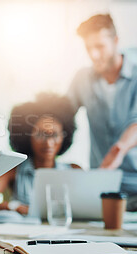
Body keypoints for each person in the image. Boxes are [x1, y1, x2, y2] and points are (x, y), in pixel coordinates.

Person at [0, 93, 79, 217]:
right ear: (27, 136)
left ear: (64, 136)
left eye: (54, 135)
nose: (48, 143)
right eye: (40, 134)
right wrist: (13, 207)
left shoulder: (74, 170)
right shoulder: (14, 170)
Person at [67, 14, 137, 196]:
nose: (93, 54)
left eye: (99, 46)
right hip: (102, 186)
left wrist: (120, 148)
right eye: (88, 48)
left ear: (115, 41)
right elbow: (63, 116)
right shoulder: (82, 79)